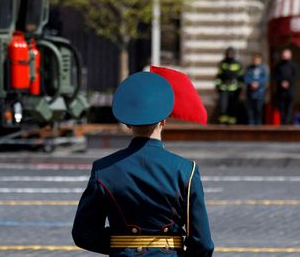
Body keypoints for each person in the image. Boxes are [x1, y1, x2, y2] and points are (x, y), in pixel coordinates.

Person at [72, 72, 214, 256]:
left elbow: (83, 234)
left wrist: (122, 244)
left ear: (129, 124)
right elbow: (203, 244)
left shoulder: (103, 170)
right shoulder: (186, 170)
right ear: (164, 121)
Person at [215, 47, 243, 124]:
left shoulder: (237, 64)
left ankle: (232, 123)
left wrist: (239, 89)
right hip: (223, 89)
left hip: (234, 90)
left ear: (234, 54)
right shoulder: (222, 63)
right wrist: (218, 86)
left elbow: (240, 77)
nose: (230, 55)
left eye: (231, 53)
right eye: (228, 53)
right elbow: (218, 76)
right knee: (223, 106)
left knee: (233, 106)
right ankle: (222, 122)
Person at [273, 48, 299, 125]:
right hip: (280, 90)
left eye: (286, 55)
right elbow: (275, 76)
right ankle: (282, 122)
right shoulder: (278, 65)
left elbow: (295, 76)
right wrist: (281, 82)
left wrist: (288, 83)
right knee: (281, 107)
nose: (285, 56)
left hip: (290, 90)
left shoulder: (293, 65)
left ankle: (287, 122)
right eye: (284, 55)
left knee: (289, 108)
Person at [244, 53, 268, 125]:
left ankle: (258, 125)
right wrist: (251, 83)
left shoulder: (263, 68)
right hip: (250, 93)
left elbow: (265, 78)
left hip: (260, 93)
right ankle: (251, 125)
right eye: (255, 60)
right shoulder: (249, 68)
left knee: (258, 110)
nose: (256, 61)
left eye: (257, 60)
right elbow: (246, 77)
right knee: (250, 111)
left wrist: (258, 84)